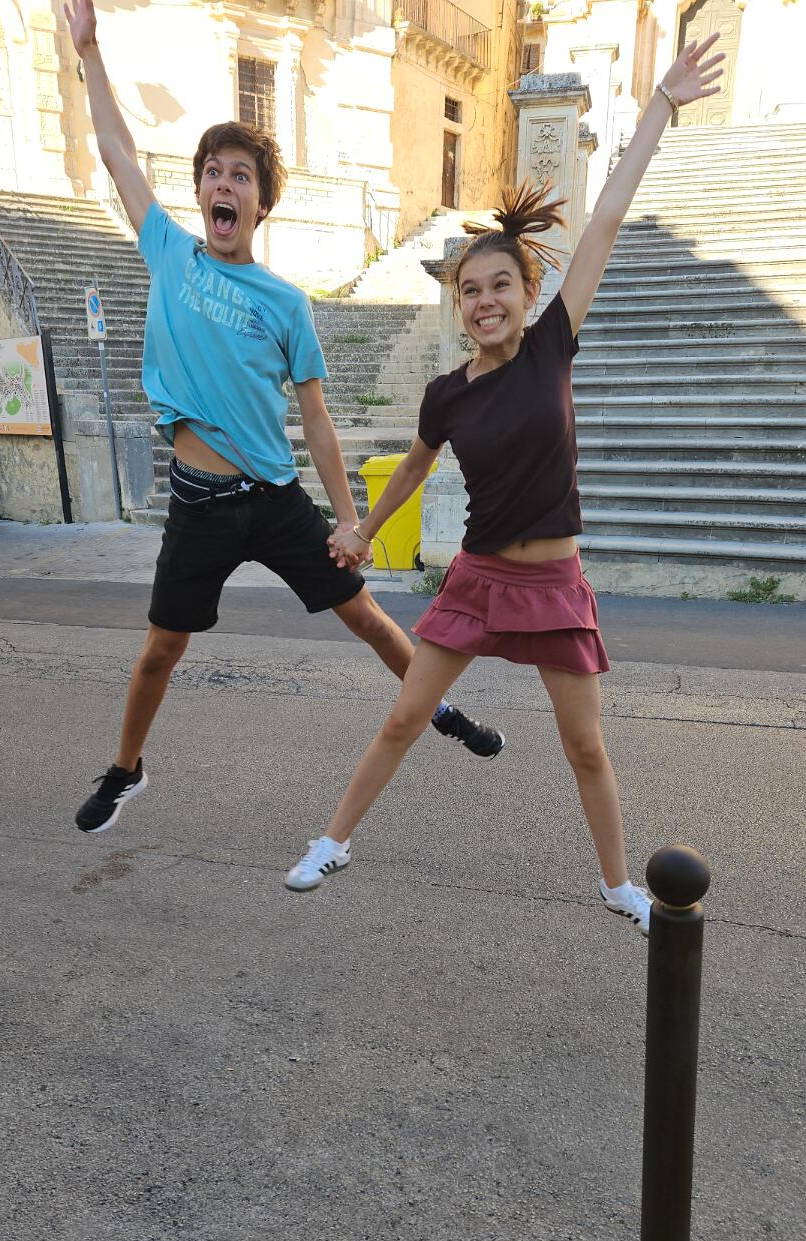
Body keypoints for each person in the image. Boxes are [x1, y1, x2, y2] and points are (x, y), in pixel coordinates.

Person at [284, 35, 725, 932]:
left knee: (584, 746)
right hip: (479, 579)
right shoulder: (447, 392)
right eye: (468, 291)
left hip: (554, 583)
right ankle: (333, 838)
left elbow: (604, 219)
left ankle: (617, 887)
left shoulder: (552, 345)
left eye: (498, 286)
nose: (483, 301)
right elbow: (415, 466)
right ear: (459, 305)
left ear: (527, 292)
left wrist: (660, 105)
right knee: (405, 717)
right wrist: (362, 528)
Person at [65, 0, 504, 836]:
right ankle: (126, 769)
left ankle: (439, 711)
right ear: (199, 192)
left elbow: (318, 420)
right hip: (196, 503)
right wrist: (89, 53)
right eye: (212, 173)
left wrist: (349, 521)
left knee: (365, 616)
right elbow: (116, 151)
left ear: (260, 204)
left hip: (272, 499)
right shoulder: (169, 252)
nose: (223, 185)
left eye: (240, 176)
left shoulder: (285, 303)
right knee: (161, 650)